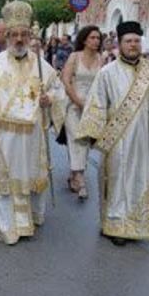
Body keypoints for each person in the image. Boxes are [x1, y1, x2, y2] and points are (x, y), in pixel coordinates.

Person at [0, 1, 64, 245]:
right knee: (4, 179)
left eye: (24, 34)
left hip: (32, 135)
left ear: (30, 36)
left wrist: (49, 99)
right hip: (4, 136)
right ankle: (6, 227)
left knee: (30, 177)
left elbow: (58, 90)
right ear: (8, 37)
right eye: (15, 35)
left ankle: (29, 220)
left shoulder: (42, 65)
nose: (20, 39)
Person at [76, 21, 149, 246]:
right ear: (120, 43)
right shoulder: (107, 72)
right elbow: (96, 104)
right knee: (116, 180)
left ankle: (136, 224)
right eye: (128, 41)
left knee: (142, 177)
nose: (133, 45)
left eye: (136, 40)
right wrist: (94, 132)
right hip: (117, 139)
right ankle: (114, 225)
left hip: (146, 136)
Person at [61, 25, 103, 199]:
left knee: (85, 141)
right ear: (84, 40)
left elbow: (103, 82)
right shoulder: (74, 56)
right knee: (75, 139)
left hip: (92, 106)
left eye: (98, 38)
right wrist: (77, 101)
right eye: (92, 38)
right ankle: (80, 178)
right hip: (73, 103)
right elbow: (66, 79)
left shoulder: (101, 58)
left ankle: (74, 175)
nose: (96, 41)